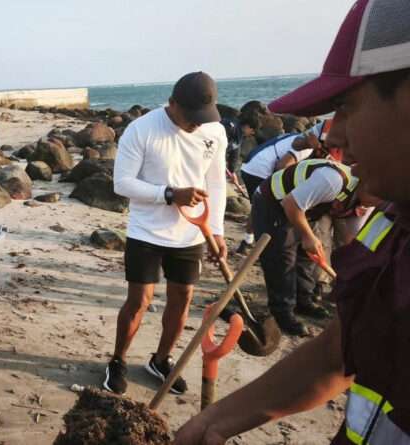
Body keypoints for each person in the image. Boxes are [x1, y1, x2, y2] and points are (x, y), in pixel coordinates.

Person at [175, 0, 410, 442]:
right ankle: (285, 309)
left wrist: (314, 246)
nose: (334, 133)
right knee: (282, 257)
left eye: (348, 106)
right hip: (274, 200)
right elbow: (340, 350)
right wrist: (211, 424)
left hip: (291, 201)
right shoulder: (391, 221)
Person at [104, 72, 227, 395]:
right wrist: (170, 194)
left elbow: (216, 183)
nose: (197, 123)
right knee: (139, 301)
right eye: (192, 116)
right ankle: (118, 360)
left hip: (192, 233)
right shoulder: (141, 130)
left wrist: (217, 231)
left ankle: (161, 360)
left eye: (204, 116)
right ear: (172, 103)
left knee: (182, 298)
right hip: (146, 230)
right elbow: (122, 183)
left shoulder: (214, 130)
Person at [251, 156, 360, 335]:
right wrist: (308, 235)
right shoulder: (333, 180)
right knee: (282, 258)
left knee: (307, 256)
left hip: (305, 208)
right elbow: (290, 203)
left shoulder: (367, 198)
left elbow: (351, 239)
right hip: (273, 201)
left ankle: (304, 301)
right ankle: (282, 312)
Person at [236, 120, 331, 252]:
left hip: (250, 165)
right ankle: (263, 245)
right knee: (268, 208)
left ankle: (247, 241)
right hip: (260, 170)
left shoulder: (296, 137)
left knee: (257, 207)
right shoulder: (305, 148)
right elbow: (282, 166)